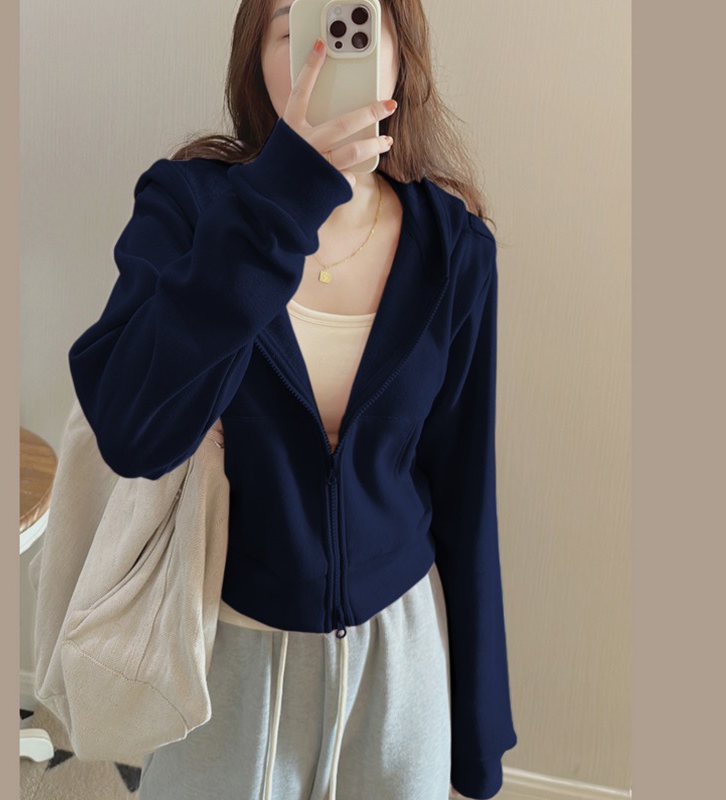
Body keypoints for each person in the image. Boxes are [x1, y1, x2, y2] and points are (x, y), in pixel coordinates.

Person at [68, 1, 517, 798]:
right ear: (255, 58)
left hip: (398, 657)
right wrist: (279, 201)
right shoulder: (190, 211)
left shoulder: (454, 249)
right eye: (291, 26)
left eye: (350, 23)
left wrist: (478, 735)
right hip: (221, 652)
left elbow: (465, 493)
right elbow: (134, 432)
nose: (322, 52)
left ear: (398, 55)